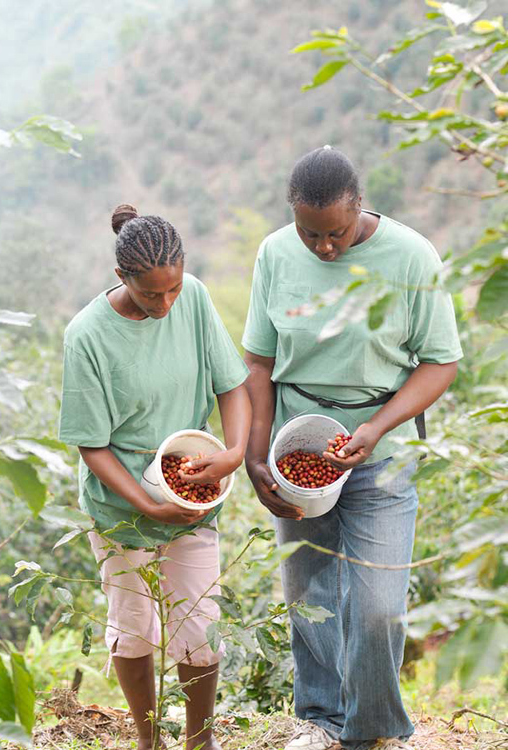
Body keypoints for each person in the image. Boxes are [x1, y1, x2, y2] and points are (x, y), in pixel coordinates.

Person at [241, 147, 462, 750]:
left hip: (380, 450)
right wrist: (257, 459)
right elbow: (259, 361)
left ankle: (372, 732)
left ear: (359, 206)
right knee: (308, 594)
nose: (323, 248)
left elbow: (441, 362)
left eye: (335, 233)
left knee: (377, 606)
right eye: (309, 233)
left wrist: (377, 427)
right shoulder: (275, 253)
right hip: (295, 450)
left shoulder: (410, 256)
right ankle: (319, 719)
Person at [58, 204, 252, 750]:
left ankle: (199, 740)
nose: (166, 304)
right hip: (123, 503)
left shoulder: (193, 298)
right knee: (135, 623)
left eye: (173, 290)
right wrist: (146, 505)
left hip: (192, 493)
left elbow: (230, 385)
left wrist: (234, 450)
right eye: (151, 295)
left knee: (198, 624)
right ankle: (148, 740)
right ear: (122, 278)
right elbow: (92, 445)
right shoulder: (88, 335)